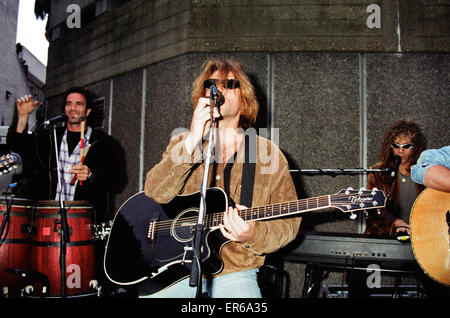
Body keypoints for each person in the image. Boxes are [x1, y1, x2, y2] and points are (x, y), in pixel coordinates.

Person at [141, 58, 301, 298]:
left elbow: (289, 223)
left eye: (229, 84)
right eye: (212, 83)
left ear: (244, 99)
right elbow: (154, 191)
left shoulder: (267, 153)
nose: (219, 89)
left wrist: (253, 234)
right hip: (178, 267)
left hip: (236, 269)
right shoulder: (183, 142)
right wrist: (192, 140)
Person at [7, 86, 125, 223]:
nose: (72, 108)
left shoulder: (104, 143)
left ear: (88, 111)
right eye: (69, 103)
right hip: (47, 218)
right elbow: (21, 149)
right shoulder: (50, 136)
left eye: (79, 104)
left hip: (82, 221)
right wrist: (23, 117)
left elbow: (118, 180)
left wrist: (91, 175)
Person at [364, 119, 426, 237]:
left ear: (416, 147)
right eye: (396, 146)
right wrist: (395, 223)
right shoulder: (379, 172)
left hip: (421, 237)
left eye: (406, 146)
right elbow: (373, 209)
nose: (400, 151)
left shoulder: (426, 172)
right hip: (386, 236)